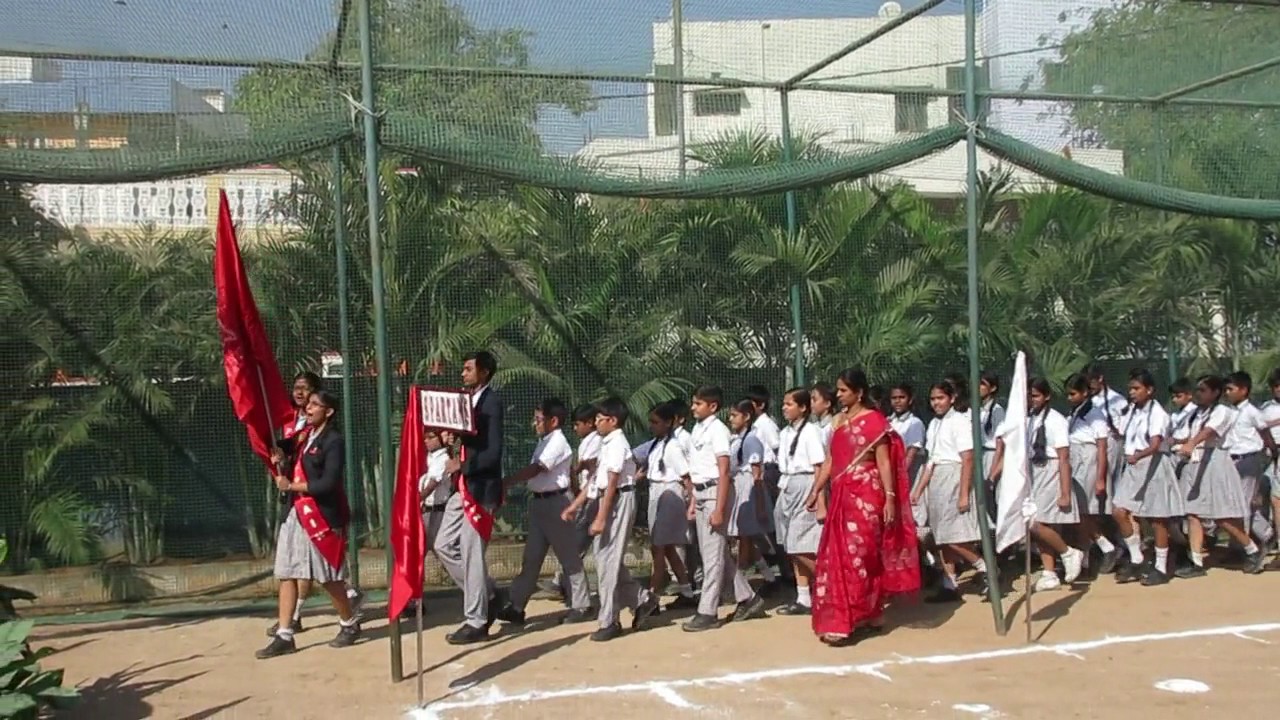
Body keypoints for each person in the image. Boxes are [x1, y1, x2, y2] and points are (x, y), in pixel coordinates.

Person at [808, 368, 919, 646]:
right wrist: (817, 489)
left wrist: (891, 498)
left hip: (868, 496)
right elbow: (832, 461)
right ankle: (857, 617)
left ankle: (861, 615)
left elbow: (884, 462)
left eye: (844, 390)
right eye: (838, 390)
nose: (839, 395)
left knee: (862, 556)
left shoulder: (874, 422)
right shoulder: (837, 423)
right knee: (840, 556)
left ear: (859, 392)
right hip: (842, 498)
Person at [257, 390, 361, 659]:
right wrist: (280, 455)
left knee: (328, 578)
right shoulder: (303, 436)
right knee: (287, 572)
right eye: (309, 403)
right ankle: (285, 634)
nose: (308, 407)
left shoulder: (333, 441)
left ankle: (349, 623)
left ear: (329, 412)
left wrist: (292, 485)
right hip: (296, 513)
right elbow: (284, 451)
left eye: (315, 404)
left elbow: (328, 483)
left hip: (322, 515)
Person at [562, 397, 659, 641]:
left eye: (600, 419)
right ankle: (642, 599)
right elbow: (596, 481)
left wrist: (601, 518)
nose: (596, 422)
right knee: (606, 558)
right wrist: (576, 505)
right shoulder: (606, 443)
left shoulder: (617, 444)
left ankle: (610, 620)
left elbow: (613, 483)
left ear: (613, 421)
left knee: (608, 562)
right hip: (605, 500)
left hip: (617, 501)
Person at [495, 398, 593, 626]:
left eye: (539, 419)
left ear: (554, 420)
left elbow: (538, 468)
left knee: (569, 556)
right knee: (532, 557)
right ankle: (517, 605)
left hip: (556, 503)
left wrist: (508, 481)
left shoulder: (557, 442)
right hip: (540, 503)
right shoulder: (544, 440)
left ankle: (581, 604)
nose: (535, 423)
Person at [683, 386, 767, 631]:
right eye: (694, 403)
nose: (693, 408)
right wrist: (692, 501)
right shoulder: (697, 430)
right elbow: (697, 468)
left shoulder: (718, 431)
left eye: (698, 404)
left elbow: (722, 470)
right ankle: (748, 598)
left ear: (712, 407)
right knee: (715, 552)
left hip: (713, 494)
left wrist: (719, 508)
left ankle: (707, 611)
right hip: (700, 492)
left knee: (712, 556)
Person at [436, 351, 506, 645]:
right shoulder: (470, 401)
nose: (462, 374)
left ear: (485, 372)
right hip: (463, 487)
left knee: (471, 551)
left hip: (480, 488)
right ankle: (487, 594)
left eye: (468, 369)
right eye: (463, 369)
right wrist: (453, 438)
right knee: (442, 545)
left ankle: (476, 619)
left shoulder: (491, 403)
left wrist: (462, 465)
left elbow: (492, 452)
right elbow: (472, 439)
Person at [991, 378, 1084, 591]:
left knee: (1034, 522)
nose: (1032, 400)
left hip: (1050, 470)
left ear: (1047, 396)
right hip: (1032, 470)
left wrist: (1065, 491)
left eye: (1036, 396)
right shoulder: (1027, 421)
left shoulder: (1056, 421)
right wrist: (996, 473)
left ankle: (1068, 552)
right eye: (1029, 396)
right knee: (1040, 524)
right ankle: (1049, 572)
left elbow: (1063, 458)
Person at [1174, 375, 1267, 577]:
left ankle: (1252, 549)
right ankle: (1196, 561)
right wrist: (1173, 440)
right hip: (1197, 463)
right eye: (1197, 390)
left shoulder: (1223, 412)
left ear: (1215, 393)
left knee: (1222, 516)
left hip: (1216, 462)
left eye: (1203, 390)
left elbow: (1209, 432)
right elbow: (1188, 434)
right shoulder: (1195, 414)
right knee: (1193, 512)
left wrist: (1192, 443)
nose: (1198, 394)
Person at [912, 380, 989, 602]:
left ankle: (982, 566)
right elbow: (931, 461)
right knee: (940, 535)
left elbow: (967, 458)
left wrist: (964, 492)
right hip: (938, 480)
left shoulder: (960, 421)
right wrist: (918, 489)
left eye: (941, 398)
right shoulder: (935, 425)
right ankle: (949, 583)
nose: (936, 403)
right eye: (933, 399)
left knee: (952, 535)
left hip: (954, 476)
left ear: (952, 398)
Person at [1116, 368, 1185, 586]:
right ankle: (1137, 559)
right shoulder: (1133, 412)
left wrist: (1139, 455)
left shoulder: (1158, 414)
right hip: (1134, 466)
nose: (1133, 393)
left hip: (1153, 465)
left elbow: (1155, 444)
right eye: (1130, 389)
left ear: (1150, 390)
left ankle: (1161, 567)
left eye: (1137, 389)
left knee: (1157, 519)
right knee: (1118, 511)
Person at [637, 401, 698, 610]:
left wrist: (692, 502)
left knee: (658, 546)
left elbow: (686, 477)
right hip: (656, 491)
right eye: (651, 422)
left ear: (669, 423)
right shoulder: (656, 444)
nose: (652, 426)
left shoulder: (673, 446)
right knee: (669, 547)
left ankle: (652, 597)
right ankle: (687, 591)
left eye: (656, 422)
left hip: (670, 493)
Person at [772, 387, 828, 616]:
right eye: (784, 404)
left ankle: (829, 585)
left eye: (790, 404)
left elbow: (819, 467)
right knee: (790, 545)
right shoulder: (785, 433)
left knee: (800, 544)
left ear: (803, 408)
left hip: (806, 485)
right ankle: (803, 596)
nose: (785, 408)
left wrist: (819, 498)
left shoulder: (811, 432)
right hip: (787, 485)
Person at [541, 404, 600, 602]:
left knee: (576, 546)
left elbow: (593, 469)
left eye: (578, 424)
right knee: (575, 544)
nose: (575, 428)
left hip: (593, 498)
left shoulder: (596, 441)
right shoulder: (585, 442)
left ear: (589, 424)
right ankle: (564, 584)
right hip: (585, 496)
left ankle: (567, 587)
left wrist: (582, 466)